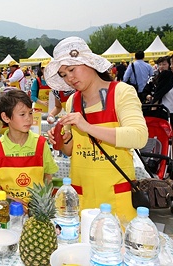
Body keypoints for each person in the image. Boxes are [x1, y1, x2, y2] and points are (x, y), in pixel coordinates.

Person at [44, 36, 148, 222]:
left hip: (116, 196)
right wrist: (62, 141)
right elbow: (71, 150)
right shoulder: (72, 102)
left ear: (89, 63)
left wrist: (88, 127)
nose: (70, 78)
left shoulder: (121, 92)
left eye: (71, 69)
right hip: (82, 195)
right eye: (63, 75)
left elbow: (139, 136)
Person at [0, 90, 58, 207]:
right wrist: (8, 197)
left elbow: (48, 176)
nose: (28, 119)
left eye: (30, 113)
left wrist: (44, 197)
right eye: (22, 114)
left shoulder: (41, 144)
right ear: (6, 117)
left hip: (37, 208)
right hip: (8, 208)